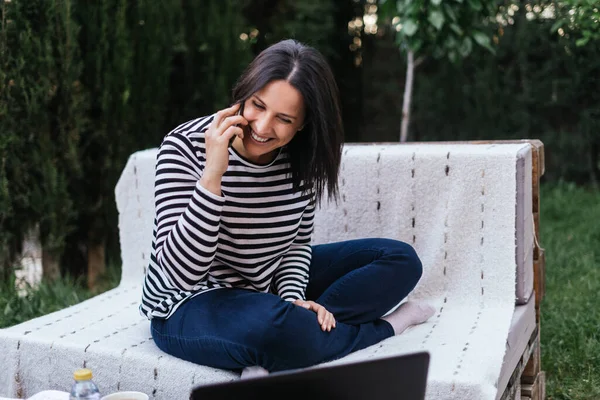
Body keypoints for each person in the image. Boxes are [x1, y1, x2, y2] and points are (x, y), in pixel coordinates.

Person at [140, 39, 435, 378]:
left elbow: (294, 246)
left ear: (303, 124)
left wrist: (293, 298)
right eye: (256, 105)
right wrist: (213, 176)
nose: (263, 127)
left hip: (266, 289)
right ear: (243, 93)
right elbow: (181, 274)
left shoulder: (302, 159)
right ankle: (385, 327)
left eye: (283, 118)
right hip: (187, 303)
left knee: (399, 260)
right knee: (275, 328)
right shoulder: (185, 146)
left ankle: (302, 327)